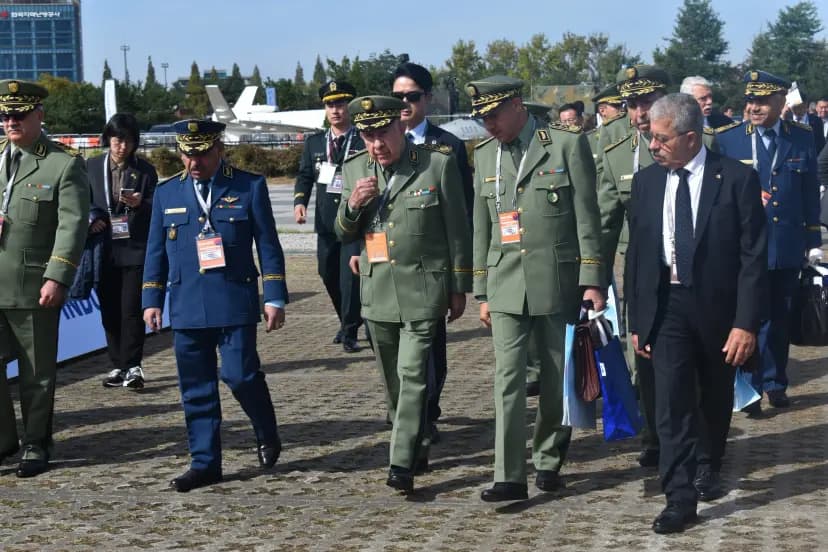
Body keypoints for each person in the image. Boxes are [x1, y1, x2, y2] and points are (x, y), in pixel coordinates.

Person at [626, 93, 768, 533]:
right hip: (667, 306)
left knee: (713, 393)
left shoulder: (736, 179)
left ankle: (710, 460)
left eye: (662, 138)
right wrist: (637, 321)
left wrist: (746, 323)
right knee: (671, 404)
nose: (654, 145)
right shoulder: (646, 182)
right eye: (650, 136)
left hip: (718, 307)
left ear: (691, 138)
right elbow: (637, 256)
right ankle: (679, 498)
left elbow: (752, 258)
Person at [467, 76, 604, 502]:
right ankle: (508, 475)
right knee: (507, 377)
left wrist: (592, 280)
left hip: (557, 280)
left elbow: (587, 216)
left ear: (515, 105)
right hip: (505, 278)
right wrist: (481, 290)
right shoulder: (486, 154)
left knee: (554, 374)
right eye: (482, 118)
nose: (488, 125)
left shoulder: (564, 144)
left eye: (493, 115)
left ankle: (548, 457)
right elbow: (482, 225)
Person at [335, 96, 472, 494]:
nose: (377, 144)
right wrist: (354, 205)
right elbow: (342, 232)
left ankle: (399, 463)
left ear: (400, 126)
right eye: (368, 135)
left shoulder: (436, 163)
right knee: (393, 383)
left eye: (383, 133)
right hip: (377, 291)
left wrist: (459, 286)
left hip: (423, 289)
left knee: (413, 375)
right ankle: (416, 441)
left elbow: (457, 231)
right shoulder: (355, 167)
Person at [142, 120, 288, 492]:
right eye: (187, 153)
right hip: (187, 301)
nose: (195, 162)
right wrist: (151, 299)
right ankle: (205, 463)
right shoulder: (166, 193)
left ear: (218, 148)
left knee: (240, 375)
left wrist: (274, 296)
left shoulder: (248, 185)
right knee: (195, 386)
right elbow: (155, 252)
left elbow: (268, 245)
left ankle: (266, 428)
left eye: (202, 153)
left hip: (234, 299)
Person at [598, 65, 718, 469]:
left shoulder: (702, 140)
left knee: (698, 365)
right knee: (645, 361)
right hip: (643, 274)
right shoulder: (612, 151)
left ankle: (702, 443)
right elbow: (603, 221)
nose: (638, 113)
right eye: (631, 104)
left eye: (646, 102)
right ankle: (655, 436)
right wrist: (591, 278)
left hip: (698, 269)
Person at [716, 70, 822, 414]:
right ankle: (748, 387)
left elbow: (808, 192)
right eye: (750, 101)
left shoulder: (801, 137)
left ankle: (775, 382)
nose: (754, 107)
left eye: (762, 101)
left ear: (781, 102)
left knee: (780, 316)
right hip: (745, 245)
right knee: (749, 316)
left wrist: (813, 239)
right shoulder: (729, 139)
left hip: (787, 242)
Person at [0, 79, 89, 477]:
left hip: (33, 287)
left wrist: (57, 277)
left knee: (36, 374)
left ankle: (36, 443)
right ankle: (4, 440)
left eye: (18, 114)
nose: (11, 122)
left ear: (39, 115)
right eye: (5, 115)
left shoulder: (62, 164)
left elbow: (72, 226)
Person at [391, 62, 474, 443]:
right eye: (397, 97)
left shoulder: (448, 146)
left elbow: (463, 213)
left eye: (411, 96)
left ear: (426, 98)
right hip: (390, 264)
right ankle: (404, 409)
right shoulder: (378, 142)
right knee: (393, 347)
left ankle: (426, 412)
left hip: (432, 266)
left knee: (429, 347)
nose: (404, 104)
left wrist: (461, 277)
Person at [87, 113, 158, 389]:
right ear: (108, 139)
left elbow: (157, 206)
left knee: (131, 309)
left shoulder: (145, 170)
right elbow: (80, 202)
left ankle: (134, 365)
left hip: (134, 248)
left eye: (127, 141)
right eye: (117, 140)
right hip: (102, 248)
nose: (121, 146)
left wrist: (142, 203)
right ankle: (117, 364)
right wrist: (92, 219)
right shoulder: (91, 166)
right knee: (109, 310)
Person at [294, 80, 364, 353]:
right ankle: (349, 320)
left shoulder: (362, 138)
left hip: (353, 222)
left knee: (350, 278)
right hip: (325, 223)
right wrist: (300, 202)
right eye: (329, 104)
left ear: (350, 106)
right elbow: (304, 176)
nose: (335, 110)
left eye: (340, 103)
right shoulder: (314, 142)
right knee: (328, 274)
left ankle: (349, 332)